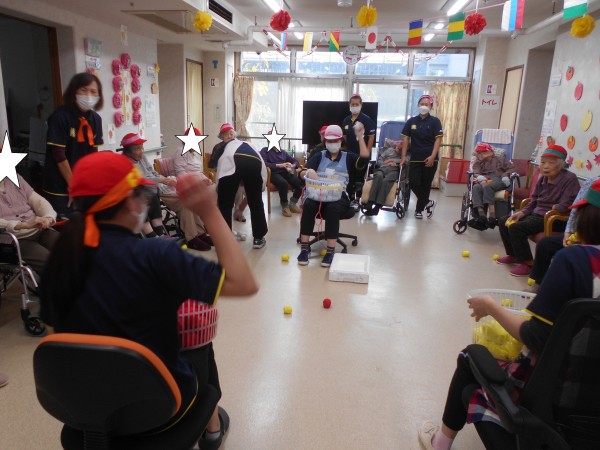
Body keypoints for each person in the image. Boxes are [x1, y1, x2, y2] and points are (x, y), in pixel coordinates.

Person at [40, 151, 258, 447]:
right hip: (160, 412)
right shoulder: (157, 255)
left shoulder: (59, 259)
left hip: (81, 411)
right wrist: (209, 211)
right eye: (142, 195)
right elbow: (243, 283)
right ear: (131, 202)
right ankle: (212, 429)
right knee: (199, 340)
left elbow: (59, 339)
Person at [418, 178, 600, 450]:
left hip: (560, 402)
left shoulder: (574, 260)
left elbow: (536, 337)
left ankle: (440, 443)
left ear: (587, 218)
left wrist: (491, 306)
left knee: (471, 361)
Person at [496, 145, 580, 277]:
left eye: (550, 163)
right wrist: (522, 212)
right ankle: (514, 255)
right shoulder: (543, 179)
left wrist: (557, 207)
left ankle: (528, 263)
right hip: (538, 215)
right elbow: (534, 200)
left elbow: (568, 204)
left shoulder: (570, 179)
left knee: (516, 227)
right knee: (504, 221)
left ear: (561, 165)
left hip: (555, 218)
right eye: (543, 162)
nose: (545, 166)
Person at [297, 124, 370, 267]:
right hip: (318, 194)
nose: (332, 143)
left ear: (341, 140)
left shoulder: (349, 157)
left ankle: (330, 251)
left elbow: (364, 158)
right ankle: (304, 248)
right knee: (309, 205)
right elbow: (301, 173)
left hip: (339, 195)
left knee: (333, 208)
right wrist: (308, 172)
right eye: (329, 141)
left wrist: (360, 137)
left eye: (335, 141)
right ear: (325, 141)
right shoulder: (319, 156)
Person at [43, 73, 104, 218]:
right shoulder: (60, 116)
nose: (88, 95)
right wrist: (73, 185)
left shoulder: (96, 119)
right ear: (74, 91)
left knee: (86, 221)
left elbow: (93, 153)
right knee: (66, 224)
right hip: (59, 184)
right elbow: (58, 154)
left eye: (93, 92)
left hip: (82, 182)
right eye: (83, 90)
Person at [529, 174, 600, 286]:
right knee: (545, 244)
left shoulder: (569, 178)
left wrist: (587, 240)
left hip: (590, 238)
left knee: (567, 257)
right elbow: (575, 210)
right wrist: (568, 232)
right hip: (580, 234)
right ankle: (539, 283)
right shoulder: (592, 181)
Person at [211, 126, 268, 249]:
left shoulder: (221, 148)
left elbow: (219, 166)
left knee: (225, 204)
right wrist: (262, 183)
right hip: (254, 163)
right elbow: (261, 163)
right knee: (256, 202)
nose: (227, 137)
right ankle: (258, 239)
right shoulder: (248, 144)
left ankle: (224, 241)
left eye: (227, 134)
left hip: (231, 163)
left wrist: (218, 186)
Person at [117, 133, 179, 241]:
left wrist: (161, 179)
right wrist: (160, 180)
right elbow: (139, 180)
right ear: (128, 151)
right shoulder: (124, 162)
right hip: (131, 193)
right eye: (137, 149)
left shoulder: (142, 158)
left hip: (149, 190)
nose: (141, 151)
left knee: (152, 196)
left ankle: (160, 233)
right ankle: (151, 235)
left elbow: (152, 172)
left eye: (142, 147)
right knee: (142, 198)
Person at [0, 174, 58, 278]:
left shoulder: (15, 178)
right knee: (50, 262)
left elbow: (39, 202)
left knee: (71, 249)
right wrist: (23, 225)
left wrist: (48, 217)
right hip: (14, 240)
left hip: (39, 230)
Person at [399, 94, 443, 219]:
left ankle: (419, 210)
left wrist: (433, 156)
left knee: (425, 184)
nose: (424, 106)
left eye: (426, 104)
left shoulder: (435, 121)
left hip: (430, 158)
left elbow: (438, 140)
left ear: (431, 106)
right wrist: (403, 156)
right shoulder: (411, 121)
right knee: (413, 183)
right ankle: (429, 203)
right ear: (418, 105)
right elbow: (405, 139)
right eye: (422, 104)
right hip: (415, 158)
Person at [342, 94, 376, 211]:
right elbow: (345, 137)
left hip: (362, 155)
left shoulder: (366, 120)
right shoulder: (346, 120)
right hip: (349, 155)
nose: (354, 106)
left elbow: (371, 137)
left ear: (361, 105)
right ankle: (349, 198)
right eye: (353, 104)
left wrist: (367, 152)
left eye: (357, 104)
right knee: (348, 177)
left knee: (359, 179)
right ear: (349, 105)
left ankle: (357, 200)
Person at [470, 142, 515, 229]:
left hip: (498, 179)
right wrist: (479, 176)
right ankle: (481, 216)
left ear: (490, 152)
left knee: (488, 187)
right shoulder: (478, 163)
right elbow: (475, 171)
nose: (480, 155)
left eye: (482, 152)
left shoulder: (500, 160)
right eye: (478, 153)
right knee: (476, 188)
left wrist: (505, 175)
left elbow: (512, 168)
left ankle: (492, 216)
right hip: (485, 180)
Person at [209, 123, 248, 223]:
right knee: (227, 189)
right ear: (222, 136)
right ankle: (222, 215)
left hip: (237, 175)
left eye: (231, 134)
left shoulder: (239, 146)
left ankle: (238, 212)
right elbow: (212, 164)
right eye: (226, 134)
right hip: (222, 175)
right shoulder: (218, 147)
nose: (230, 136)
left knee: (240, 188)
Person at [260, 140, 302, 217]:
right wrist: (280, 165)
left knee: (299, 182)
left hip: (284, 173)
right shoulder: (264, 151)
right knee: (283, 183)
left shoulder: (283, 152)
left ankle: (292, 204)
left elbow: (295, 160)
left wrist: (293, 165)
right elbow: (264, 164)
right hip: (273, 173)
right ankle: (285, 206)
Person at [363, 138, 403, 216]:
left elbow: (406, 160)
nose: (398, 143)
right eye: (398, 142)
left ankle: (377, 206)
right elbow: (379, 160)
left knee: (386, 181)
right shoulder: (389, 150)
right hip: (383, 168)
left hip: (394, 170)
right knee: (378, 176)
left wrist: (393, 161)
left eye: (401, 144)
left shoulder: (405, 154)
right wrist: (385, 163)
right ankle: (370, 202)